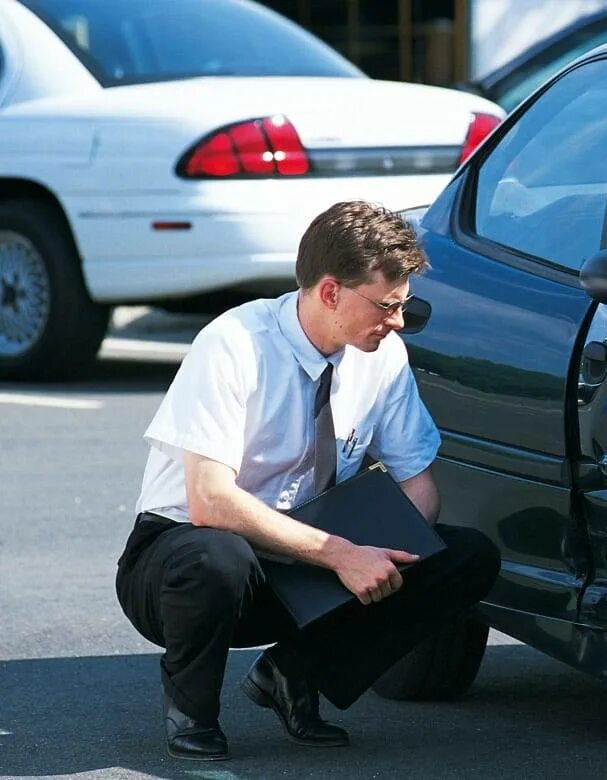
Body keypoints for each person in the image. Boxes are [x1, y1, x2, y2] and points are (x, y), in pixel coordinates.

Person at [114, 200, 500, 761]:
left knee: (465, 556)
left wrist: (388, 557)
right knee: (218, 556)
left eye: (405, 307)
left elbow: (421, 487)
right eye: (386, 307)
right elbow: (210, 501)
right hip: (187, 559)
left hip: (310, 551)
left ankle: (293, 673)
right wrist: (343, 554)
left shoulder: (381, 355)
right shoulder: (234, 342)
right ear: (329, 292)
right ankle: (191, 710)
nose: (396, 323)